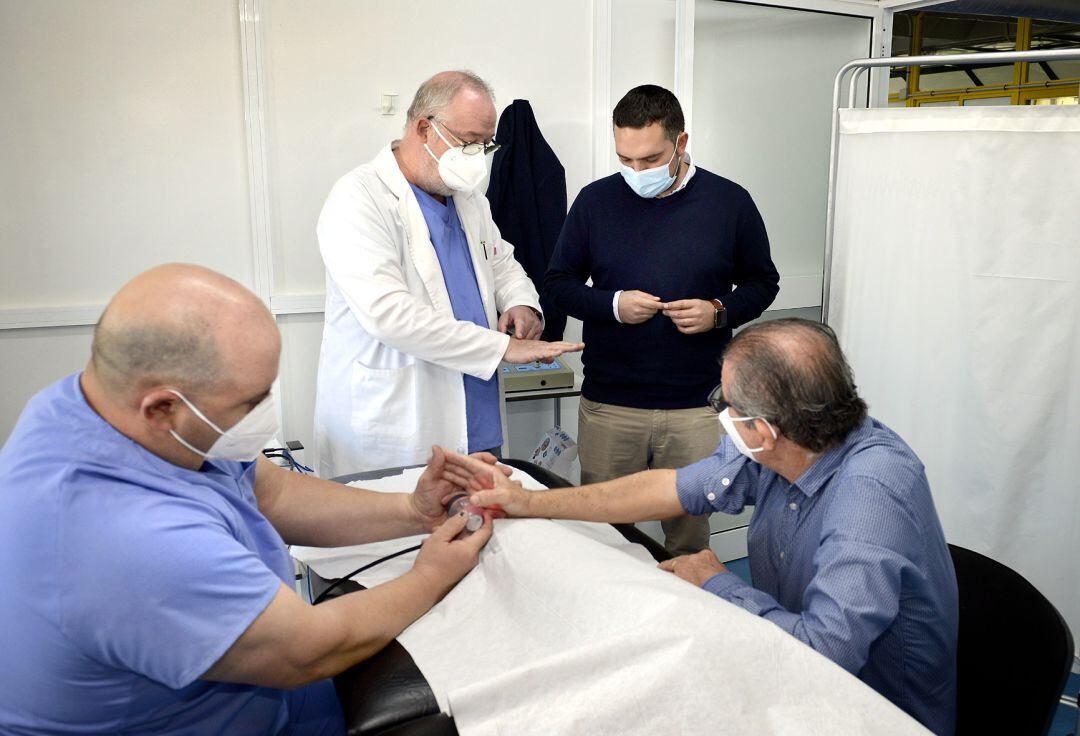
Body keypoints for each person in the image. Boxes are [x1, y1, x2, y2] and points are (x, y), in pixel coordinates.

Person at [0, 264, 501, 735]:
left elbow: (273, 492)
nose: (264, 414)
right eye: (250, 402)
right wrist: (430, 576)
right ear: (161, 407)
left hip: (262, 688)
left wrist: (412, 512)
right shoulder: (126, 537)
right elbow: (306, 651)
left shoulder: (99, 405)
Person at [442, 318, 959, 735]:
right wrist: (529, 504)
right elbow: (671, 487)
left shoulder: (871, 494)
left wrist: (717, 581)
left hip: (867, 710)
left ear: (764, 429)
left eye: (725, 400)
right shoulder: (800, 437)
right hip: (786, 664)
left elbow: (826, 654)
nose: (721, 409)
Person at [545, 84, 778, 555]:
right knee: (604, 537)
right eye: (624, 159)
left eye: (649, 160)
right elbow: (557, 282)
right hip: (611, 405)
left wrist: (720, 312)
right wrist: (612, 306)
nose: (636, 172)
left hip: (695, 407)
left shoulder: (729, 202)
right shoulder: (595, 201)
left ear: (681, 142)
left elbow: (762, 281)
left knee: (689, 538)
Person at [314, 70, 583, 478]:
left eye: (485, 145)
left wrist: (521, 303)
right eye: (469, 142)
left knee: (481, 528)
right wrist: (501, 349)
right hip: (399, 422)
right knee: (403, 537)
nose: (477, 156)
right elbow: (389, 315)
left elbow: (502, 262)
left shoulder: (467, 200)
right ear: (425, 127)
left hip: (477, 417)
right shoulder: (359, 198)